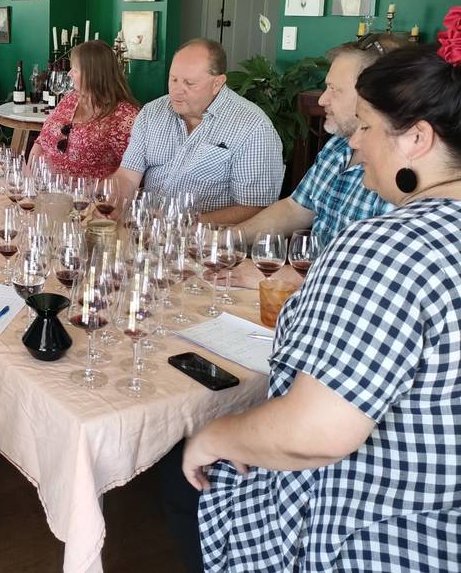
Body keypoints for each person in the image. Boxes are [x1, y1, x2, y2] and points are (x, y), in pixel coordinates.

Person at [174, 45, 461, 572]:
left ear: (417, 139)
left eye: (367, 127)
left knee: (188, 490)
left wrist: (212, 437)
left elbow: (316, 432)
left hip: (374, 529)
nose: (354, 145)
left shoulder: (390, 247)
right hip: (444, 519)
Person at [236, 34, 405, 246]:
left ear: (373, 96)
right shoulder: (338, 143)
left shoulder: (401, 173)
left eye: (334, 89)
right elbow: (295, 209)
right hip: (311, 266)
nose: (322, 100)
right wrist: (225, 238)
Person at [108, 38, 283, 222]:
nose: (177, 90)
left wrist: (183, 224)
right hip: (145, 228)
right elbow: (128, 175)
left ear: (217, 83)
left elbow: (255, 209)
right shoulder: (152, 112)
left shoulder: (252, 127)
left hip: (207, 236)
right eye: (173, 79)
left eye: (189, 83)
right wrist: (113, 202)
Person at [30, 41, 138, 177]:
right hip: (42, 185)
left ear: (93, 74)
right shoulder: (70, 99)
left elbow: (132, 171)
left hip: (89, 190)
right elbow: (41, 141)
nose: (69, 74)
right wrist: (29, 178)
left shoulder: (124, 116)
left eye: (75, 70)